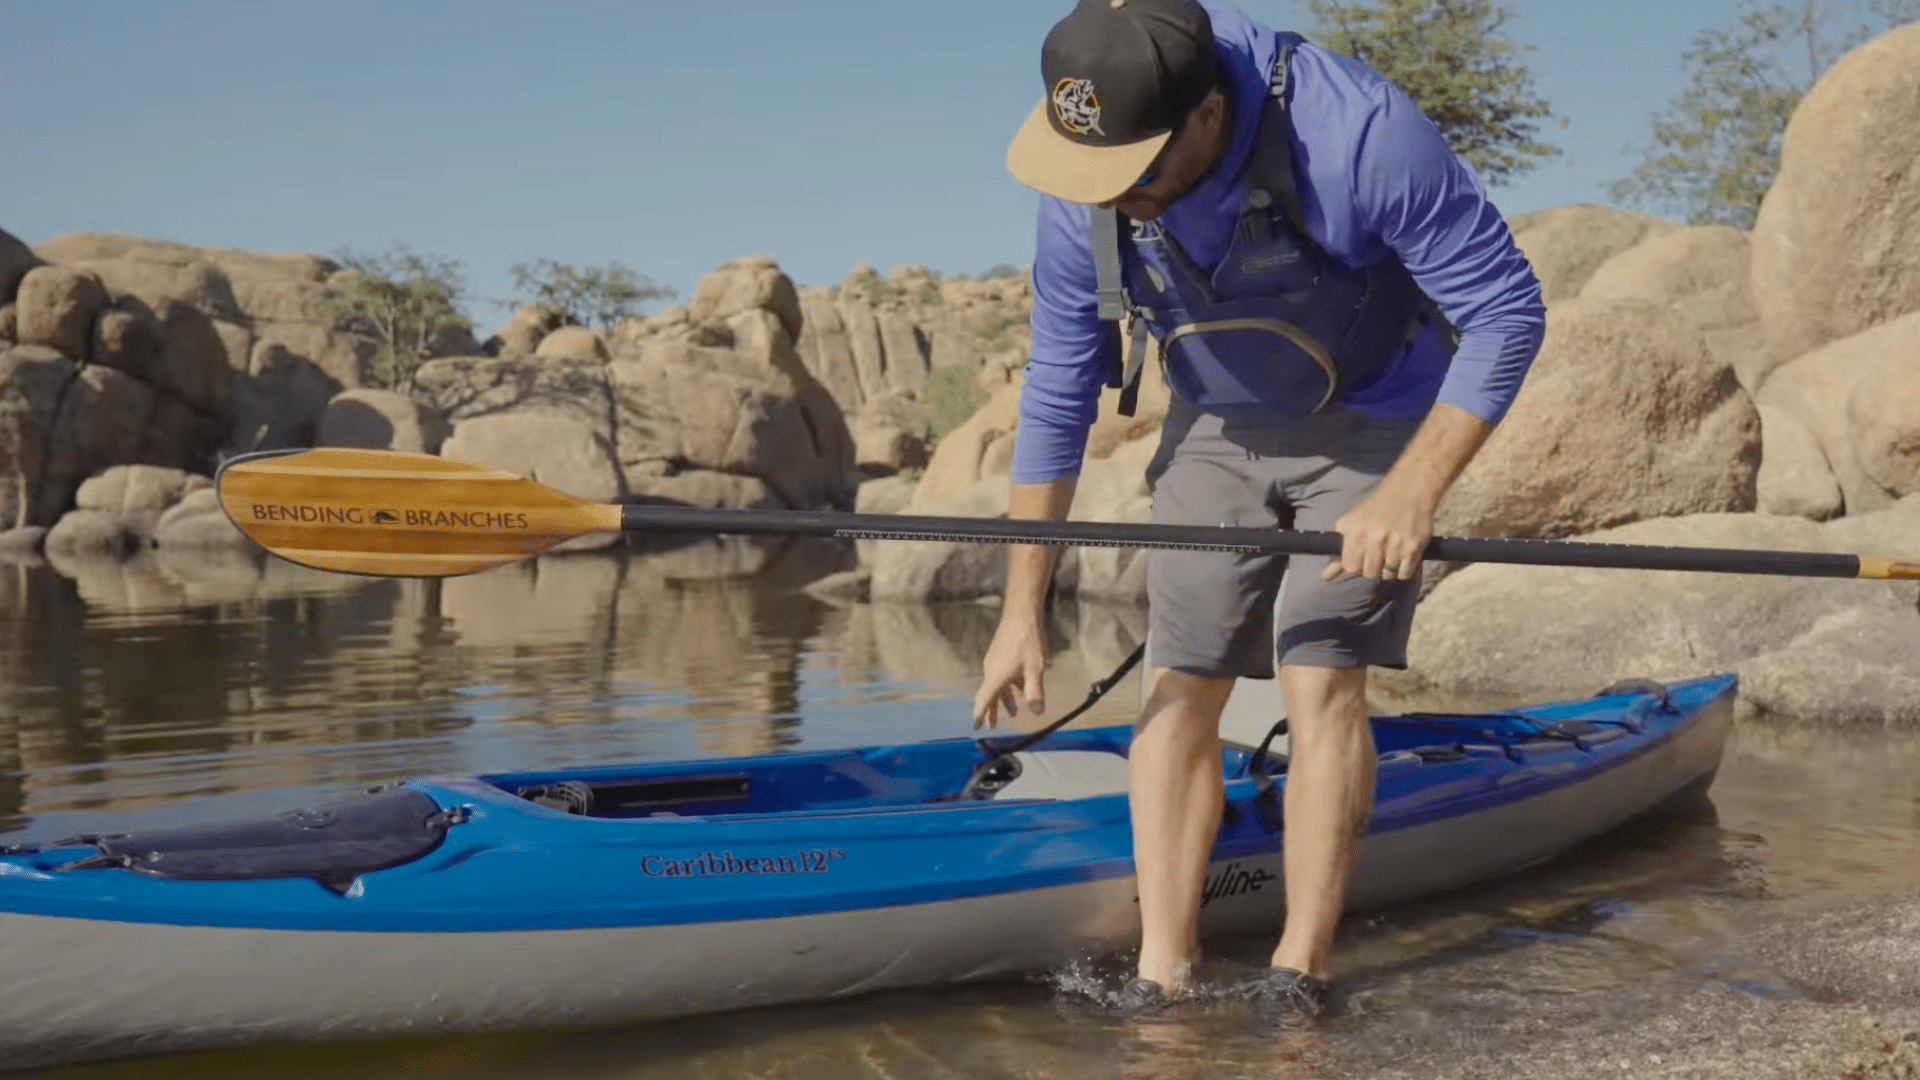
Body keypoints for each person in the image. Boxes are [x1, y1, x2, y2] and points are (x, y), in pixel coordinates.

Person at [972, 0, 1547, 1022]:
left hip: (1373, 419)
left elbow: (1506, 310)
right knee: (1177, 686)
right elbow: (1061, 389)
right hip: (1213, 422)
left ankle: (1301, 977)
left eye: (1137, 174)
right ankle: (1165, 974)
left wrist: (1413, 490)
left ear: (1205, 116)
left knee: (1321, 682)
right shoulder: (1089, 168)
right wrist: (1022, 608)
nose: (1121, 200)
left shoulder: (1358, 136)